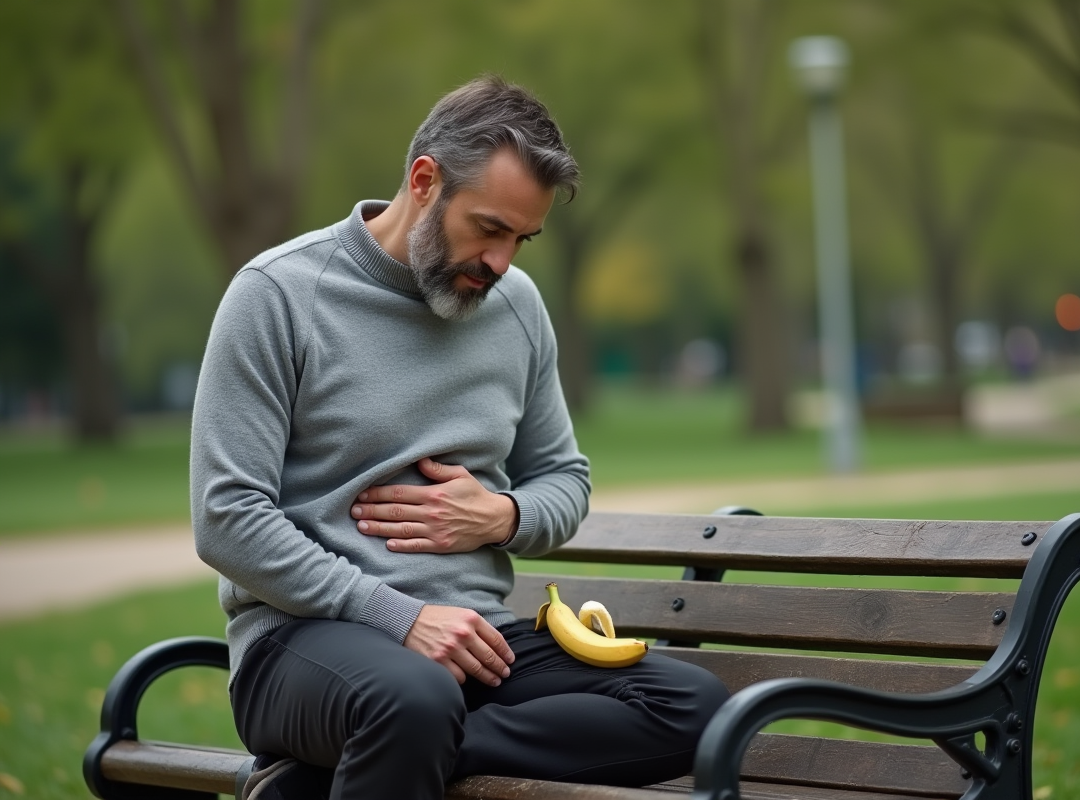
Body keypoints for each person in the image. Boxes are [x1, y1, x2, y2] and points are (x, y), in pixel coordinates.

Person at [190, 76, 729, 800]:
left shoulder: (518, 310)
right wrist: (400, 615)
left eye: (522, 238)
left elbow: (565, 479)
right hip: (302, 645)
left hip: (479, 644)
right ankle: (395, 741)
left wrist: (502, 515)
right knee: (410, 702)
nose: (502, 262)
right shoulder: (277, 294)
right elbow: (227, 519)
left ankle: (363, 768)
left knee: (698, 708)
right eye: (489, 228)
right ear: (423, 180)